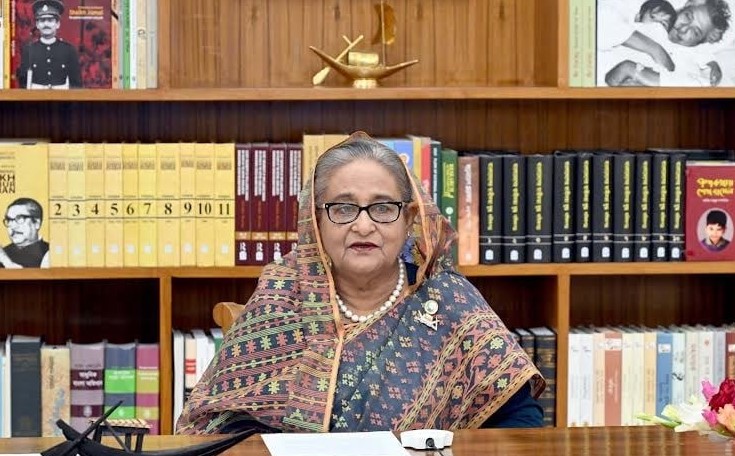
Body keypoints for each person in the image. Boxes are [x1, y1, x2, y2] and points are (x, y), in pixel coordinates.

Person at [176, 132, 545, 434]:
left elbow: (519, 420)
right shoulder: (282, 296)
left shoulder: (448, 300)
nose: (364, 226)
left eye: (383, 208)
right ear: (316, 221)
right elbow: (224, 424)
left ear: (409, 219)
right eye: (343, 208)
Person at [16, 0, 82, 89]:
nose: (46, 24)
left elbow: (76, 85)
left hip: (62, 97)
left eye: (50, 20)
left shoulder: (69, 50)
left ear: (57, 24)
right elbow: (23, 84)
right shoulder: (29, 50)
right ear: (37, 24)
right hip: (35, 97)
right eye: (42, 20)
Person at [1, 197, 50, 268]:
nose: (13, 226)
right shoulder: (3, 253)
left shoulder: (51, 254)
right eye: (9, 220)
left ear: (37, 223)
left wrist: (7, 262)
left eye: (20, 218)